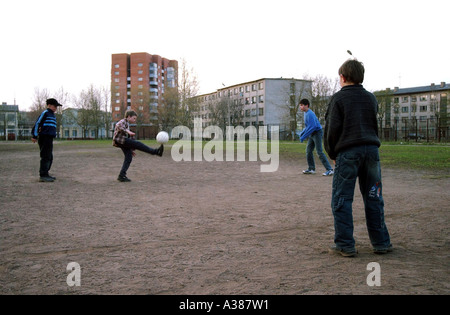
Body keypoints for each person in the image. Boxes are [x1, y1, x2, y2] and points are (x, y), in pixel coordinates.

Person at [324, 59, 392, 257]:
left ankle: (345, 244)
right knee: (374, 197)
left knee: (342, 198)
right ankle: (381, 242)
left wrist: (332, 154)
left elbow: (331, 130)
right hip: (371, 151)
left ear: (343, 77)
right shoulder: (371, 98)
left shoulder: (338, 99)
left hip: (348, 152)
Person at [113, 110, 164, 182]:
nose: (134, 120)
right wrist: (127, 131)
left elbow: (130, 138)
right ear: (129, 116)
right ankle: (155, 152)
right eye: (134, 118)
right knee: (138, 144)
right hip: (120, 140)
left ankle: (121, 176)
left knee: (128, 157)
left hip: (121, 142)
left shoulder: (127, 123)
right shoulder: (123, 121)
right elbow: (118, 125)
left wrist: (130, 150)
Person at [297, 99, 334, 176]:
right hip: (312, 133)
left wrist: (304, 136)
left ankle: (330, 169)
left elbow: (313, 126)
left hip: (317, 133)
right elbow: (307, 127)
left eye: (301, 105)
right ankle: (311, 169)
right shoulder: (305, 113)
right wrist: (302, 133)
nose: (300, 107)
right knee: (308, 151)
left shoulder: (310, 114)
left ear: (306, 105)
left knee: (319, 152)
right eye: (300, 105)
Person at [31, 98, 63, 182]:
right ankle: (43, 175)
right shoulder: (45, 113)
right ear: (49, 105)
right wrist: (34, 135)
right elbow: (38, 123)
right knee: (45, 156)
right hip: (44, 137)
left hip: (49, 138)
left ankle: (46, 173)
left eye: (56, 106)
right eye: (54, 106)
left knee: (49, 156)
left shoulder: (52, 115)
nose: (56, 108)